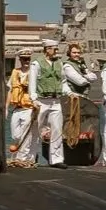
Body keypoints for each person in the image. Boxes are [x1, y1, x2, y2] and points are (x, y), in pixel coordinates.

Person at [22, 40, 67, 168]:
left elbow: (63, 81)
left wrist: (68, 92)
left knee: (57, 130)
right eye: (54, 49)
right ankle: (30, 157)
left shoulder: (59, 64)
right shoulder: (37, 64)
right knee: (35, 129)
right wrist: (34, 99)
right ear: (47, 49)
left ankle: (57, 159)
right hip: (42, 101)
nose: (56, 51)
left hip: (56, 100)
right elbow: (33, 83)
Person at [61, 43, 98, 156]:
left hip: (83, 98)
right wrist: (87, 77)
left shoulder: (81, 65)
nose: (77, 55)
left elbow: (94, 77)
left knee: (82, 123)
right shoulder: (67, 66)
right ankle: (69, 147)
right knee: (71, 123)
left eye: (78, 52)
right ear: (69, 53)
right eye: (74, 52)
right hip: (73, 98)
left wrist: (85, 76)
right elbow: (80, 81)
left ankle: (81, 149)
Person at [7, 51, 33, 162]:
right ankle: (19, 155)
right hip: (16, 108)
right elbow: (10, 91)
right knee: (15, 135)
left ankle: (21, 158)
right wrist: (6, 108)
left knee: (25, 135)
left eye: (28, 59)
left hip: (29, 107)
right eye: (24, 59)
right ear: (20, 60)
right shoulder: (15, 72)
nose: (26, 61)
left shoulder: (33, 73)